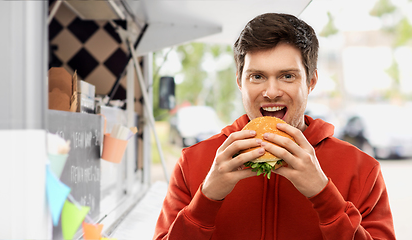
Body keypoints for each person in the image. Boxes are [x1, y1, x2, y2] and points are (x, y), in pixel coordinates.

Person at [153, 13, 395, 240]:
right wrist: (206, 199)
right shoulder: (192, 162)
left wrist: (324, 195)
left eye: (287, 76)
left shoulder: (362, 169)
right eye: (257, 76)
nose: (271, 92)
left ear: (311, 82)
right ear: (239, 81)